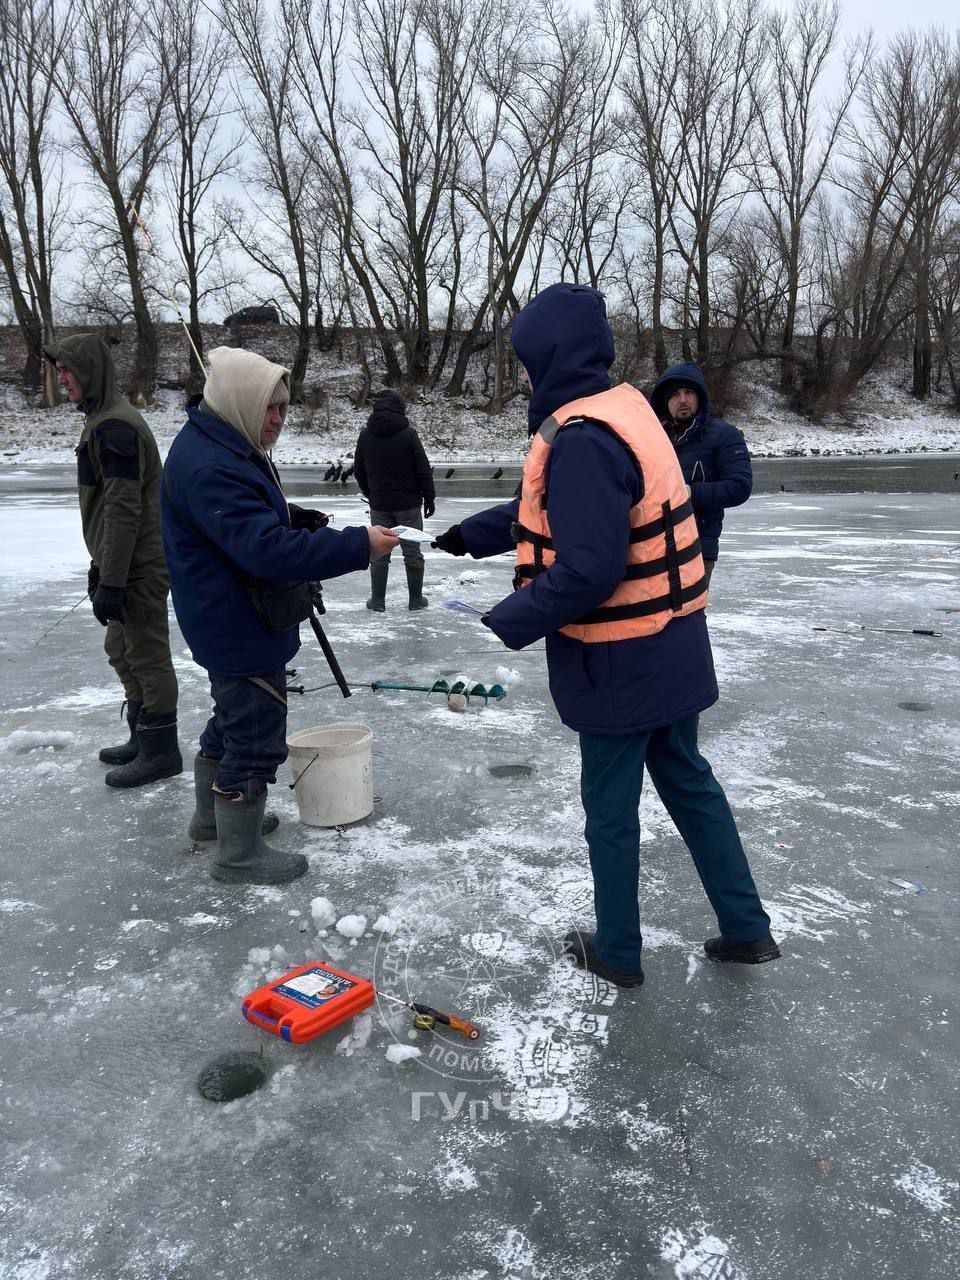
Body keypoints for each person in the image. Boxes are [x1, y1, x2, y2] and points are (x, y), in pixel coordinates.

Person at [433, 284, 778, 988]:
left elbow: (589, 567)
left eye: (527, 361)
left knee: (610, 815)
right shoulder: (624, 412)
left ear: (552, 358)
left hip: (623, 659)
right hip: (675, 646)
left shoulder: (584, 437)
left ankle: (618, 951)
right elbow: (562, 508)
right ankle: (748, 929)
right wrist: (472, 536)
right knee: (691, 784)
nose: (525, 374)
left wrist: (510, 617)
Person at [162, 347, 399, 885]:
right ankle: (238, 855)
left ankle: (211, 821)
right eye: (270, 407)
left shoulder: (222, 441)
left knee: (232, 718)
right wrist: (358, 545)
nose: (278, 419)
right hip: (236, 622)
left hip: (229, 616)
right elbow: (264, 551)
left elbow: (240, 522)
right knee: (253, 732)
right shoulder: (211, 465)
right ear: (243, 402)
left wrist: (294, 517)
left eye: (284, 408)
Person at [43, 335, 182, 788]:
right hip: (120, 561)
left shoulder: (116, 426)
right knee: (121, 651)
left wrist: (114, 579)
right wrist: (101, 566)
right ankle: (143, 737)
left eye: (67, 370)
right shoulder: (102, 420)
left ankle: (162, 751)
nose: (61, 378)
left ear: (89, 371)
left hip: (139, 564)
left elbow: (124, 509)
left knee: (146, 653)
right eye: (59, 370)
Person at [649, 362, 752, 586]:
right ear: (666, 403)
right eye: (675, 395)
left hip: (696, 549)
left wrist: (690, 493)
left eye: (689, 392)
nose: (683, 399)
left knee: (689, 617)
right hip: (653, 549)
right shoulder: (653, 438)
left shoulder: (724, 435)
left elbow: (740, 487)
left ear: (700, 397)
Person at [353, 390, 435, 612]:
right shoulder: (408, 435)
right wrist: (430, 497)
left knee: (379, 553)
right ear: (400, 409)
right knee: (412, 552)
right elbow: (423, 470)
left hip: (380, 504)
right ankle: (415, 601)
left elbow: (358, 471)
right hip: (408, 504)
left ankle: (378, 602)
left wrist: (371, 493)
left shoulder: (365, 435)